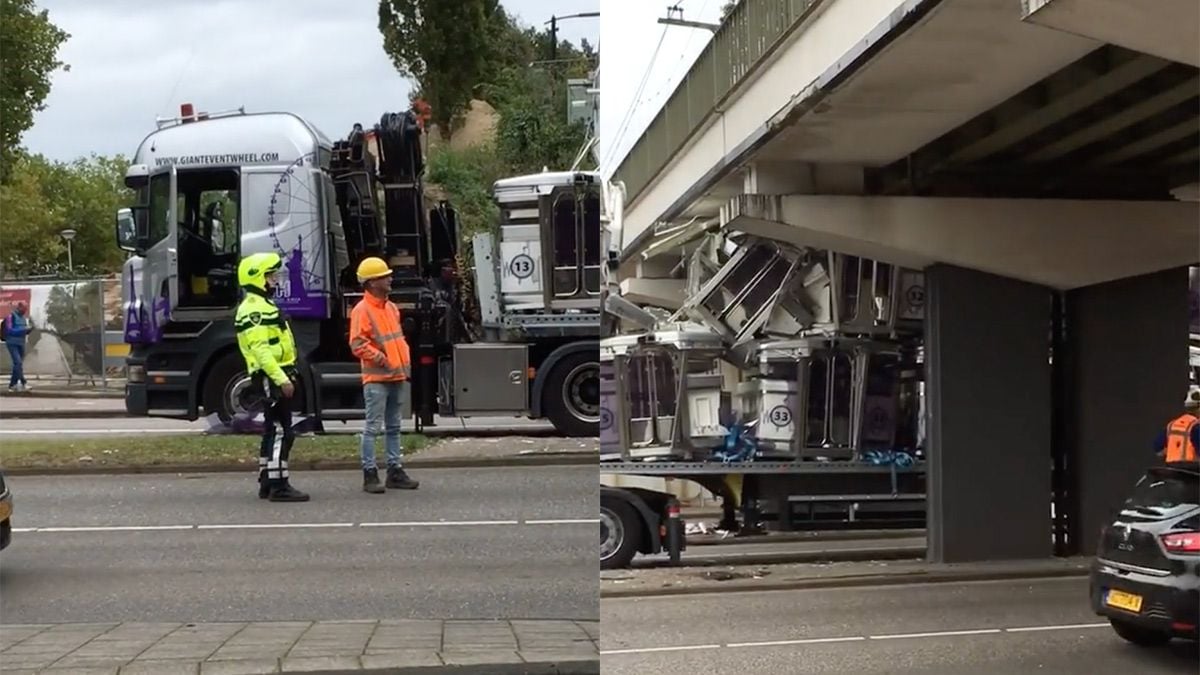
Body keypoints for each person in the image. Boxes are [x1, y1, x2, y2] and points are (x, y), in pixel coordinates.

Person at [234, 252, 309, 502]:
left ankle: (267, 479)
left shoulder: (262, 305)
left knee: (271, 429)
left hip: (275, 373)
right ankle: (279, 485)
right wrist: (281, 379)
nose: (275, 280)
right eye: (270, 275)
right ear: (257, 278)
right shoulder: (254, 310)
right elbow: (261, 351)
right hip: (271, 376)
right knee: (281, 431)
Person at [349, 256, 419, 494]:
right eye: (384, 276)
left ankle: (394, 470)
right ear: (371, 283)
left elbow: (395, 340)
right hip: (377, 379)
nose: (390, 279)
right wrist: (382, 360)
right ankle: (370, 474)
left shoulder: (390, 307)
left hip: (395, 376)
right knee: (373, 427)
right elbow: (357, 343)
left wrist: (400, 365)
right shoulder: (362, 310)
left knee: (393, 427)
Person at [1155, 386, 1200, 463]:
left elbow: (1158, 449)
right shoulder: (1197, 427)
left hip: (1172, 471)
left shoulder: (1171, 425)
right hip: (1192, 472)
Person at [4, 302, 32, 393]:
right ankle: (24, 383)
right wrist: (23, 330)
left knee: (17, 365)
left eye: (26, 309)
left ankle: (12, 385)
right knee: (18, 362)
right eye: (23, 309)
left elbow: (24, 331)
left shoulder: (23, 319)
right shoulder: (10, 316)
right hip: (12, 343)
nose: (25, 311)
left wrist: (29, 331)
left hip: (21, 343)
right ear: (19, 307)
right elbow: (9, 330)